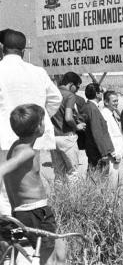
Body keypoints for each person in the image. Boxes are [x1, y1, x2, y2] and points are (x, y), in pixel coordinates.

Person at [0, 29, 62, 215]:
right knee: (30, 186)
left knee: (4, 191)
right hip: (33, 138)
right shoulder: (38, 72)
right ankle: (28, 234)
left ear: (2, 47)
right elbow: (55, 99)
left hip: (4, 137)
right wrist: (35, 123)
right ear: (23, 49)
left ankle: (10, 235)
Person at [0, 104, 66, 265]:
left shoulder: (18, 146)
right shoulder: (26, 152)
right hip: (35, 212)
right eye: (44, 120)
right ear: (38, 127)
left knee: (59, 249)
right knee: (50, 256)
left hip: (26, 212)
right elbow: (3, 169)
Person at [50, 72, 86, 181]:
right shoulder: (69, 95)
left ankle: (59, 197)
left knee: (58, 173)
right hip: (67, 137)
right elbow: (68, 118)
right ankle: (73, 198)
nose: (77, 90)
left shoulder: (52, 93)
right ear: (71, 84)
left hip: (53, 137)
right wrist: (76, 127)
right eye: (77, 86)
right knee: (73, 173)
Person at [81, 83, 115, 168]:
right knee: (97, 175)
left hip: (92, 147)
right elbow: (97, 132)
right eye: (102, 91)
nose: (103, 93)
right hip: (96, 150)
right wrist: (104, 152)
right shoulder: (93, 109)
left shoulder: (88, 106)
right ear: (97, 93)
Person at [101, 91, 123, 187]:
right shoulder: (105, 114)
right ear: (106, 102)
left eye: (117, 101)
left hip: (119, 155)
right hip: (114, 156)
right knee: (112, 185)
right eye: (114, 101)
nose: (116, 103)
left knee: (120, 183)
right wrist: (114, 153)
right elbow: (107, 135)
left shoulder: (112, 114)